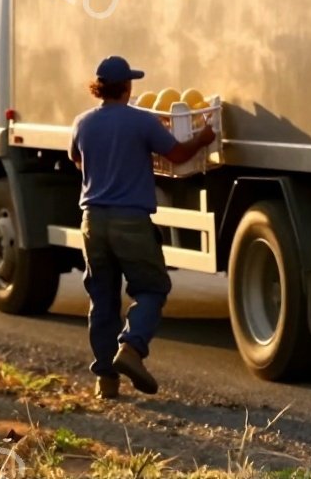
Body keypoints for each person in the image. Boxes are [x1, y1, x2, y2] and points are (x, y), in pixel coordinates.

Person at [68, 56, 217, 400]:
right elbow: (178, 155)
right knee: (151, 289)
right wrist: (204, 137)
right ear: (127, 87)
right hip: (129, 220)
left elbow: (77, 160)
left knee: (102, 299)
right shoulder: (142, 122)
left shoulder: (82, 123)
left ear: (99, 87)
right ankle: (132, 349)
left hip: (92, 221)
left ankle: (105, 381)